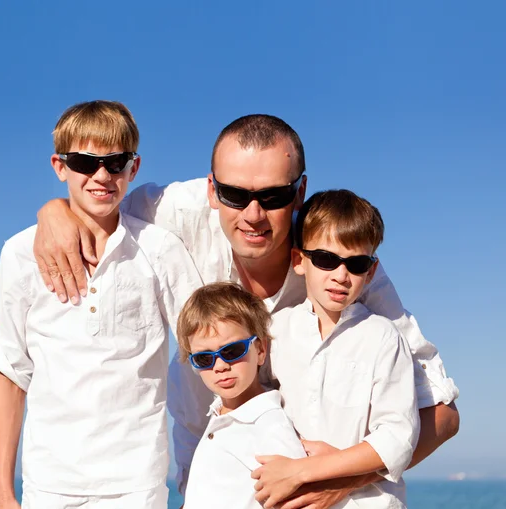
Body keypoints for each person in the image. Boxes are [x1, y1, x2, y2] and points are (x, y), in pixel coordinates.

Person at [33, 114, 460, 508]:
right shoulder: (173, 213)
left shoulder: (338, 265)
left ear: (300, 193)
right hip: (203, 476)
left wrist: (336, 480)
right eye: (235, 194)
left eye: (274, 196)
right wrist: (54, 212)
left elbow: (441, 413)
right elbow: (98, 197)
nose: (253, 215)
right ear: (212, 190)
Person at [0, 100, 202, 509]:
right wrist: (3, 490)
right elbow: (12, 371)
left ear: (133, 168)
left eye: (115, 162)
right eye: (85, 162)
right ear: (60, 166)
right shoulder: (18, 254)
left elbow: (202, 347)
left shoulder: (159, 250)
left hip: (137, 483)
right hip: (48, 484)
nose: (101, 176)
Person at [252, 190, 419, 508]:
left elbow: (398, 438)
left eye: (356, 264)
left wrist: (305, 470)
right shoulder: (273, 331)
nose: (341, 275)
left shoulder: (384, 338)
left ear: (370, 272)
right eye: (327, 259)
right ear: (299, 261)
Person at [177, 282, 307, 509]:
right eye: (204, 358)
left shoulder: (269, 426)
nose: (219, 366)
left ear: (260, 350)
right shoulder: (221, 414)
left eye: (231, 351)